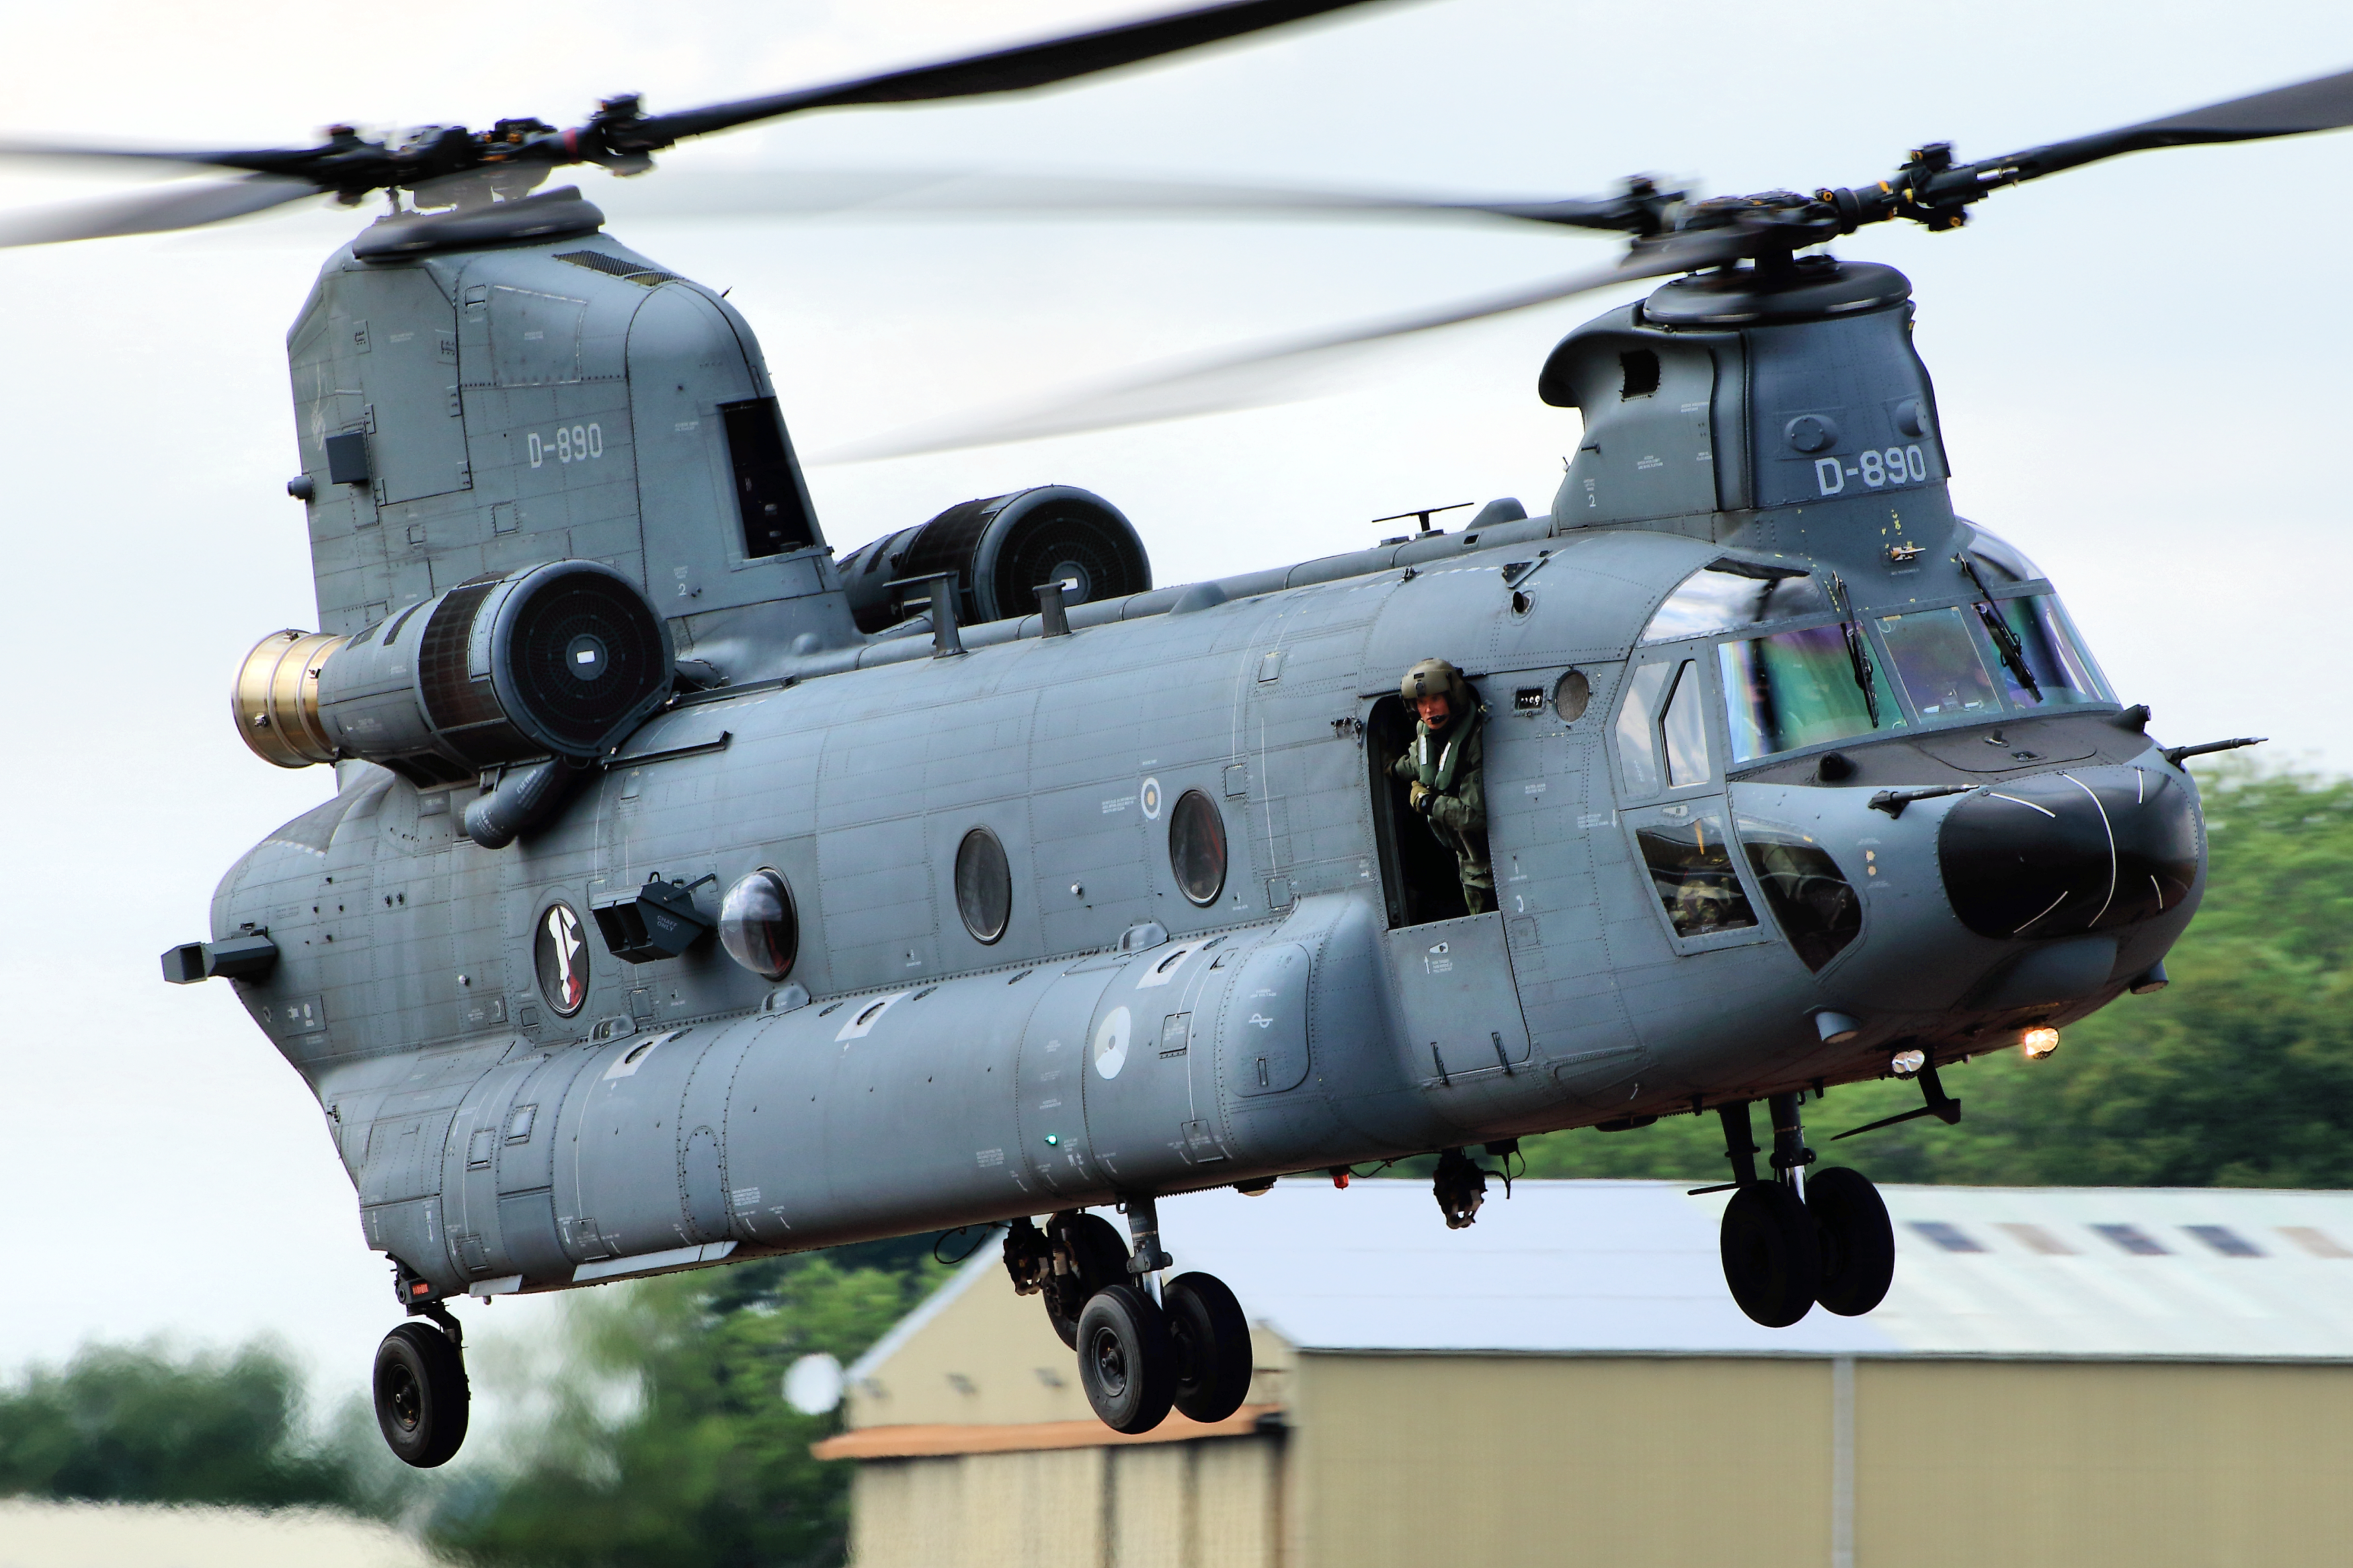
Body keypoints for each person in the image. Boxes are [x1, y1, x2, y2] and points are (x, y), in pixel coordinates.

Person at [1390, 657, 1492, 915]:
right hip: (1465, 861)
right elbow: (1413, 764)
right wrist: (1388, 767)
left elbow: (1474, 814)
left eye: (1435, 699)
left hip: (1487, 865)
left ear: (1453, 697)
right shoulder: (1427, 735)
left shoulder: (1473, 741)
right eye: (1421, 703)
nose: (1428, 710)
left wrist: (1426, 802)